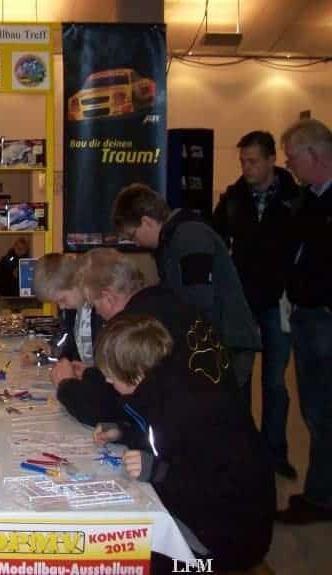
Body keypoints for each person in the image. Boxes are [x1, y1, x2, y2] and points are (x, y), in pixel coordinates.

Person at [92, 314, 274, 572]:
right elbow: (164, 441)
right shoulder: (169, 388)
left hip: (225, 541)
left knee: (117, 556)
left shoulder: (186, 408)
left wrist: (157, 471)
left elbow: (216, 483)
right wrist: (123, 433)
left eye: (110, 375)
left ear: (137, 372)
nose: (107, 381)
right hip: (211, 518)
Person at [51, 248, 238, 427]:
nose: (97, 313)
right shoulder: (167, 302)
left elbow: (113, 407)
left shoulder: (135, 326)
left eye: (94, 304)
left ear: (108, 297)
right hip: (224, 419)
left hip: (196, 436)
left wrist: (66, 386)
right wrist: (90, 373)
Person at [112, 183, 261, 402]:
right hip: (215, 341)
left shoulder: (190, 236)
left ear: (146, 221)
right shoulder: (175, 237)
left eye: (133, 236)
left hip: (227, 342)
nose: (136, 243)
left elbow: (198, 298)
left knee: (227, 413)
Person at [212, 130, 301, 479]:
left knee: (275, 383)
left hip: (278, 301)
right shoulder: (233, 199)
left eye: (252, 161)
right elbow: (216, 240)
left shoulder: (295, 199)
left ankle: (275, 451)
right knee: (240, 378)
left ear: (270, 160)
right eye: (242, 161)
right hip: (242, 303)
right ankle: (245, 448)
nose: (246, 167)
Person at [274, 119, 332, 524]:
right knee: (316, 410)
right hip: (307, 315)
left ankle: (321, 497)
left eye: (293, 158)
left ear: (314, 155)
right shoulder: (309, 199)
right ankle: (320, 490)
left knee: (323, 410)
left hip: (323, 318)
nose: (289, 165)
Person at [31, 253, 102, 369]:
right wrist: (42, 355)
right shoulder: (72, 310)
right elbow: (68, 344)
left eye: (62, 300)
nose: (62, 307)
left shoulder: (99, 311)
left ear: (77, 282)